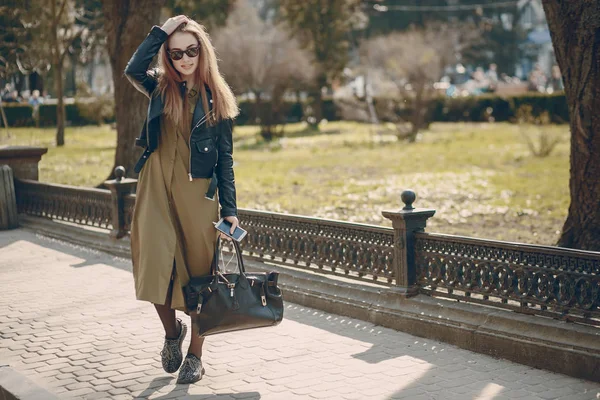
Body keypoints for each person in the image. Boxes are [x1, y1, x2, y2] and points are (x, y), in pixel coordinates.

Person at [124, 15, 240, 384]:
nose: (184, 59)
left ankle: (196, 355)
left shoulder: (216, 99)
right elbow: (132, 68)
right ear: (167, 57)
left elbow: (226, 160)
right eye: (175, 53)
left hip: (197, 195)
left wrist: (231, 211)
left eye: (191, 50)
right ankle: (172, 333)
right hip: (155, 186)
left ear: (202, 51)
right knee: (154, 264)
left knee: (199, 275)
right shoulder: (158, 88)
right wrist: (162, 29)